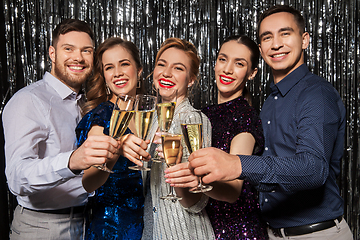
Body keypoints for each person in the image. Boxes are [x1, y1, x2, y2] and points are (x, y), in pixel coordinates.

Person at [182, 5, 353, 240]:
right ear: (261, 49)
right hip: (271, 232)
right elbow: (272, 171)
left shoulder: (316, 94)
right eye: (267, 37)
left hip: (315, 233)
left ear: (304, 40)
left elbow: (314, 169)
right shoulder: (271, 101)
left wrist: (237, 165)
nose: (276, 44)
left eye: (285, 33)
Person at [3, 19, 120, 239]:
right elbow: (17, 178)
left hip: (86, 222)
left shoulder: (88, 104)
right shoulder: (28, 100)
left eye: (86, 51)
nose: (78, 57)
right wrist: (72, 161)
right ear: (52, 53)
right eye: (68, 49)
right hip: (42, 227)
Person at [131, 38, 214, 239]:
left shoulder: (194, 119)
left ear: (191, 79)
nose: (166, 73)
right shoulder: (149, 120)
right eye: (162, 64)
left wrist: (175, 166)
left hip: (183, 233)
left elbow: (196, 202)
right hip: (152, 230)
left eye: (178, 68)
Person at [76, 37, 146, 239]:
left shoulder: (149, 117)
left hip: (148, 227)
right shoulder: (101, 117)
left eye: (124, 64)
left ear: (139, 70)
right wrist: (116, 148)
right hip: (111, 229)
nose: (117, 73)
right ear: (104, 76)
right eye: (109, 68)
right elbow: (89, 182)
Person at [199, 35, 267, 239]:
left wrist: (194, 179)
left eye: (239, 63)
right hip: (206, 226)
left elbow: (233, 190)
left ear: (252, 73)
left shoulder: (244, 116)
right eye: (222, 59)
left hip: (236, 230)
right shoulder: (203, 114)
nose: (227, 69)